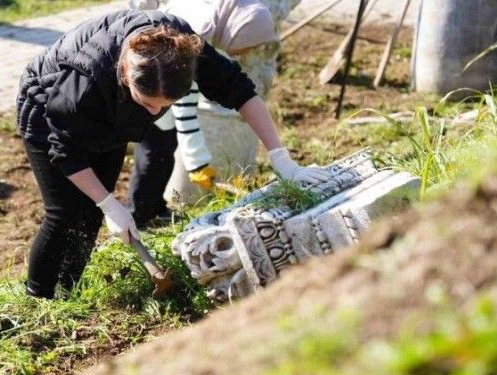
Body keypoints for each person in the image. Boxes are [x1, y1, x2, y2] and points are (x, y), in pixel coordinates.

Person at [16, 9, 327, 299]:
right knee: (66, 213)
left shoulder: (184, 49)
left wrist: (280, 157)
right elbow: (65, 148)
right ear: (125, 73)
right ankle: (40, 296)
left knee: (90, 214)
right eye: (148, 102)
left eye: (165, 105)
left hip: (110, 120)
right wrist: (110, 204)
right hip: (48, 113)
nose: (156, 111)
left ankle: (68, 292)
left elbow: (242, 92)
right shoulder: (87, 78)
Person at [127, 0, 281, 227]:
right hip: (148, 91)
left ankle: (155, 208)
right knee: (153, 156)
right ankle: (137, 214)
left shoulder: (211, 26)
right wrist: (197, 163)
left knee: (165, 151)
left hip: (161, 94)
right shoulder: (191, 37)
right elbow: (184, 108)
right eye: (243, 48)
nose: (241, 54)